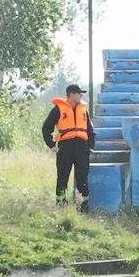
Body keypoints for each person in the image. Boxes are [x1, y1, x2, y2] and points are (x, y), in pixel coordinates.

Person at [41, 84, 95, 212]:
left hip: (82, 148)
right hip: (65, 148)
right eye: (78, 93)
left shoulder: (83, 109)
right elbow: (46, 128)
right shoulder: (58, 109)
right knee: (62, 176)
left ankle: (84, 206)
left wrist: (91, 147)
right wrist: (51, 145)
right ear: (70, 95)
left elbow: (91, 131)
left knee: (82, 177)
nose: (81, 95)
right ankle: (61, 205)